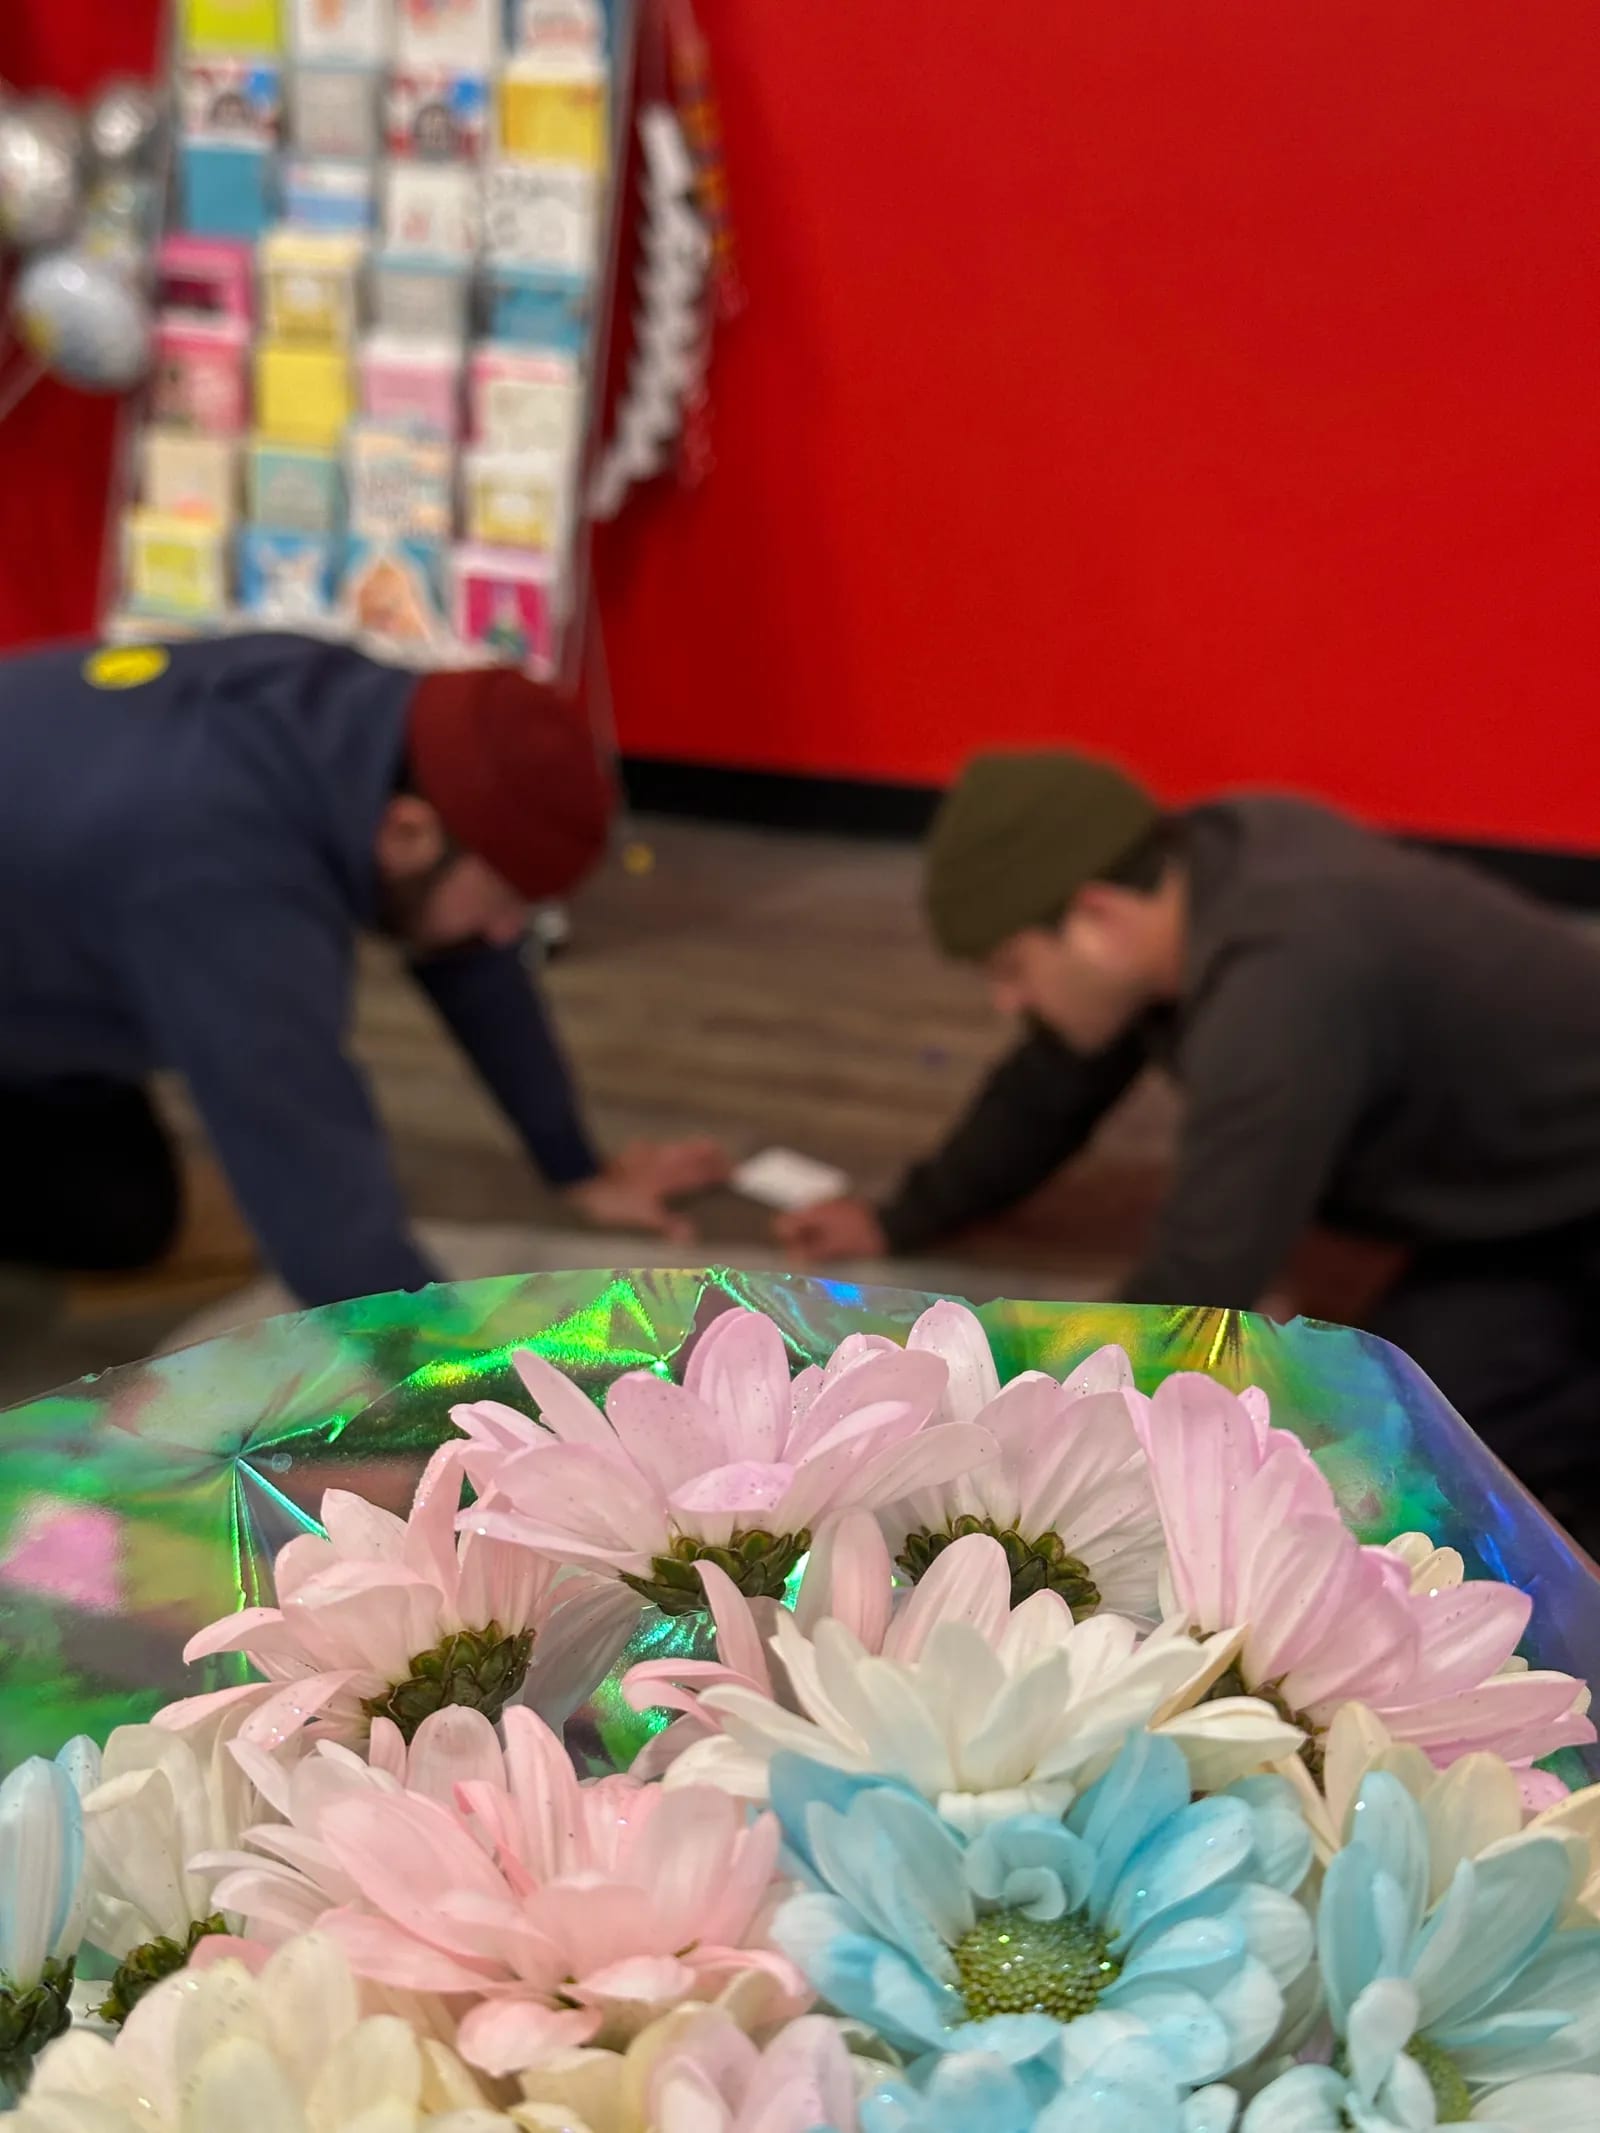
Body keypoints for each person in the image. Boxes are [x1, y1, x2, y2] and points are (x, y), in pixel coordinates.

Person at [780, 749, 1600, 1547]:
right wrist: (902, 1217)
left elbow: (1199, 1283)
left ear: (1096, 915)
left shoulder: (1280, 989)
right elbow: (1049, 1082)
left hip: (1566, 1215)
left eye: (1012, 968)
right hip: (1509, 1192)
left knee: (1407, 1461)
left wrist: (1016, 1436)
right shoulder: (1198, 867)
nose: (1009, 1000)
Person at [0, 633, 725, 1306]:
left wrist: (573, 1162)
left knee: (126, 1218)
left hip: (45, 960)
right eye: (506, 902)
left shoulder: (364, 727)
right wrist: (460, 1391)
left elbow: (467, 951)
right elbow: (314, 1191)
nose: (507, 934)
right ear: (407, 832)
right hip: (82, 908)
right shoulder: (224, 871)